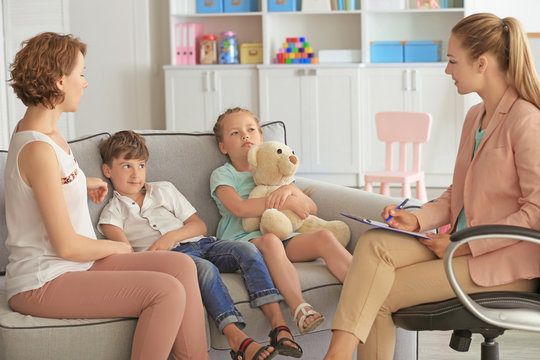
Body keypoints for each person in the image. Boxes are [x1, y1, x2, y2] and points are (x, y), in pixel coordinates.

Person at [324, 13, 540, 360]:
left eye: (453, 61)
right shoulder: (475, 116)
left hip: (504, 265)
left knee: (379, 297)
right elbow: (458, 192)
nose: (447, 70)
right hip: (458, 245)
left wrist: (464, 245)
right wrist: (418, 219)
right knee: (375, 242)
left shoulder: (527, 120)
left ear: (481, 63)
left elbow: (535, 213)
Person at [4, 32, 208, 360]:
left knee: (182, 266)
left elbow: (36, 183)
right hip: (41, 280)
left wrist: (83, 182)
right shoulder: (38, 149)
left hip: (72, 267)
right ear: (59, 81)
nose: (84, 83)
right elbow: (67, 246)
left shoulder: (45, 135)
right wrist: (118, 247)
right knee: (166, 291)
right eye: (81, 74)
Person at [98, 130, 304, 360]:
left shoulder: (164, 189)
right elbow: (126, 255)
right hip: (175, 261)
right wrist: (162, 249)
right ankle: (236, 338)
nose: (136, 174)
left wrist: (170, 237)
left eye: (141, 165)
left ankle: (279, 326)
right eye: (126, 166)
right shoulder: (111, 213)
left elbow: (198, 226)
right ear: (108, 170)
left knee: (248, 249)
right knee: (206, 270)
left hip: (204, 244)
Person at [210, 107, 353, 335]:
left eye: (251, 129)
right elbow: (239, 208)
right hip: (244, 242)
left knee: (324, 237)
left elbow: (311, 209)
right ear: (223, 147)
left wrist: (289, 189)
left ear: (261, 138)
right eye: (235, 133)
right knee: (271, 241)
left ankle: (367, 290)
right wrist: (283, 202)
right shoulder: (224, 174)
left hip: (284, 235)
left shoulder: (279, 171)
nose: (245, 135)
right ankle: (300, 308)